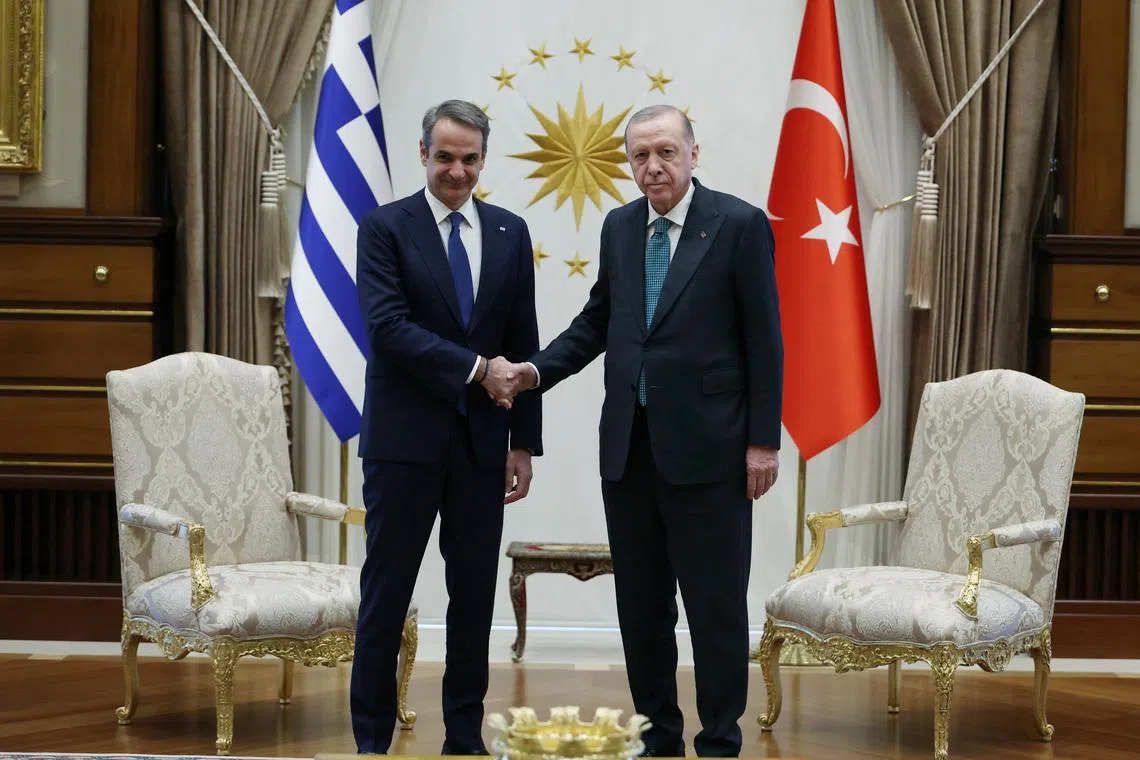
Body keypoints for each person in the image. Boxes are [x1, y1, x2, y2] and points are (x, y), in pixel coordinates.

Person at [501, 105, 782, 757]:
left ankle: (720, 740)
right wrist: (534, 372)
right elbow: (597, 323)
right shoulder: (620, 227)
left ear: (693, 154)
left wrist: (762, 441)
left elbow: (765, 341)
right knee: (643, 607)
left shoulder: (740, 225)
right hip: (629, 451)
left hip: (712, 451)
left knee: (714, 606)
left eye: (665, 152)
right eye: (640, 156)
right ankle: (658, 738)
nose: (653, 166)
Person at [351, 99, 542, 755]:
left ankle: (464, 738)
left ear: (483, 159)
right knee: (387, 594)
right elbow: (387, 328)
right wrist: (476, 369)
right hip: (403, 445)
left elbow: (522, 340)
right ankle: (371, 740)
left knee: (472, 601)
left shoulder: (511, 231)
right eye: (444, 157)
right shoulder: (385, 227)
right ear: (422, 153)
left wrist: (524, 442)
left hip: (483, 446)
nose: (456, 171)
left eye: (469, 159)